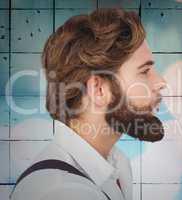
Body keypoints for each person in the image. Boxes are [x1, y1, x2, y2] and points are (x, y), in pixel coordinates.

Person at [10, 8, 167, 200]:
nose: (160, 81)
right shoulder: (62, 192)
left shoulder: (117, 163)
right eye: (144, 71)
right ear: (98, 89)